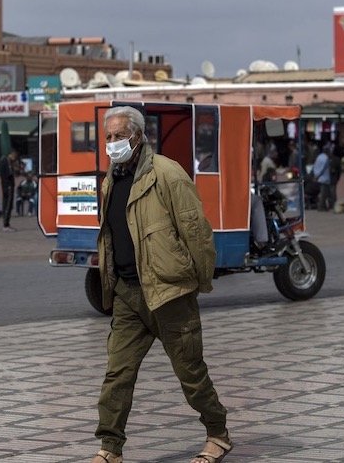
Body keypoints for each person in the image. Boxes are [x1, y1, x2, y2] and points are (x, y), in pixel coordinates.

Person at [92, 105, 230, 463]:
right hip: (127, 294)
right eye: (108, 137)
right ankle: (110, 449)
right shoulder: (111, 180)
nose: (112, 142)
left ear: (138, 137)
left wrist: (199, 282)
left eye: (119, 136)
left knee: (190, 373)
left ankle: (217, 433)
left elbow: (196, 232)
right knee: (117, 375)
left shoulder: (167, 174)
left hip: (169, 293)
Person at [0, 149, 18, 232]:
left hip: (5, 185)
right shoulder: (6, 162)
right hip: (8, 186)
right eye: (14, 156)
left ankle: (6, 223)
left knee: (6, 204)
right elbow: (9, 174)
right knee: (8, 205)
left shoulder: (3, 160)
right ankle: (6, 224)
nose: (14, 158)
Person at [312, 144, 333, 211]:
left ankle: (324, 206)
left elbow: (315, 166)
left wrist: (315, 175)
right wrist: (317, 175)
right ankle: (321, 206)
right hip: (324, 178)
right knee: (324, 194)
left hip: (319, 178)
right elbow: (322, 168)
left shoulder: (319, 157)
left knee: (323, 193)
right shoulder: (326, 158)